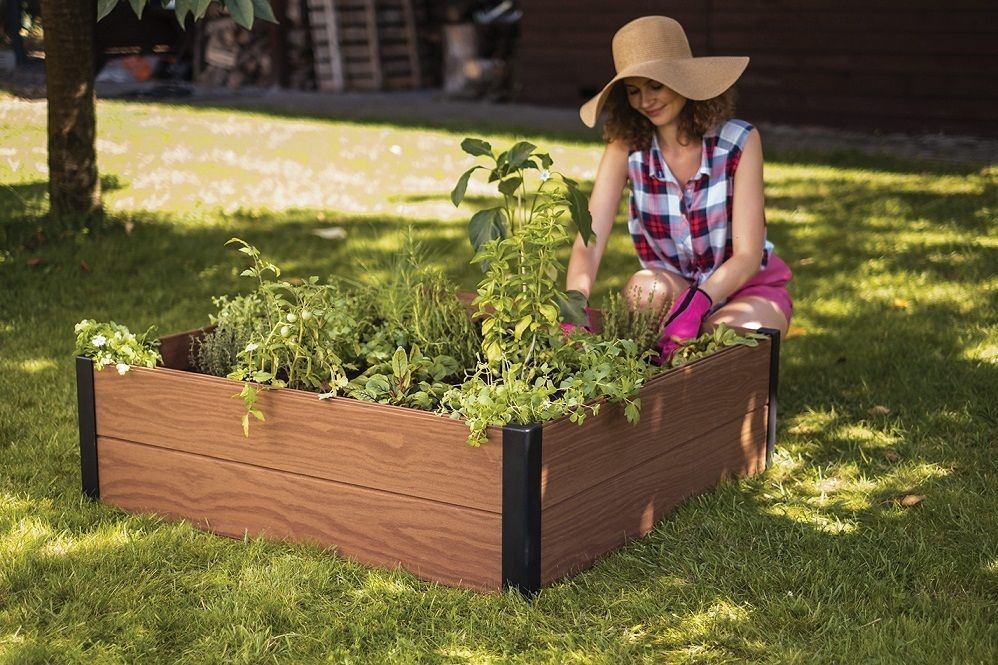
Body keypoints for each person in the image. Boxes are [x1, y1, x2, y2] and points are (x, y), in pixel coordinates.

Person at [564, 16, 792, 361]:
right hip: (674, 286)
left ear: (682, 80)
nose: (646, 101)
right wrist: (574, 307)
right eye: (634, 90)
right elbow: (589, 238)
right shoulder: (625, 147)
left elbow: (747, 255)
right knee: (643, 290)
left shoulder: (738, 142)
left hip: (747, 289)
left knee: (722, 343)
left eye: (655, 86)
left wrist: (698, 303)